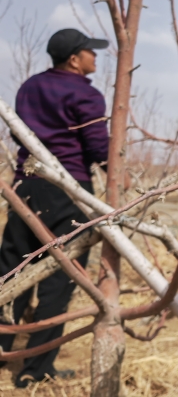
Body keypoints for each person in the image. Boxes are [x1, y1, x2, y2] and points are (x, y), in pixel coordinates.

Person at [0, 28, 109, 387]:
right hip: (66, 189)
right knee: (58, 277)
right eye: (90, 52)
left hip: (25, 187)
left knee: (12, 269)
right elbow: (98, 150)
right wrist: (115, 169)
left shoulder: (29, 87)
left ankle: (2, 352)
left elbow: (19, 134)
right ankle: (35, 369)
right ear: (75, 58)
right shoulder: (85, 94)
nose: (96, 57)